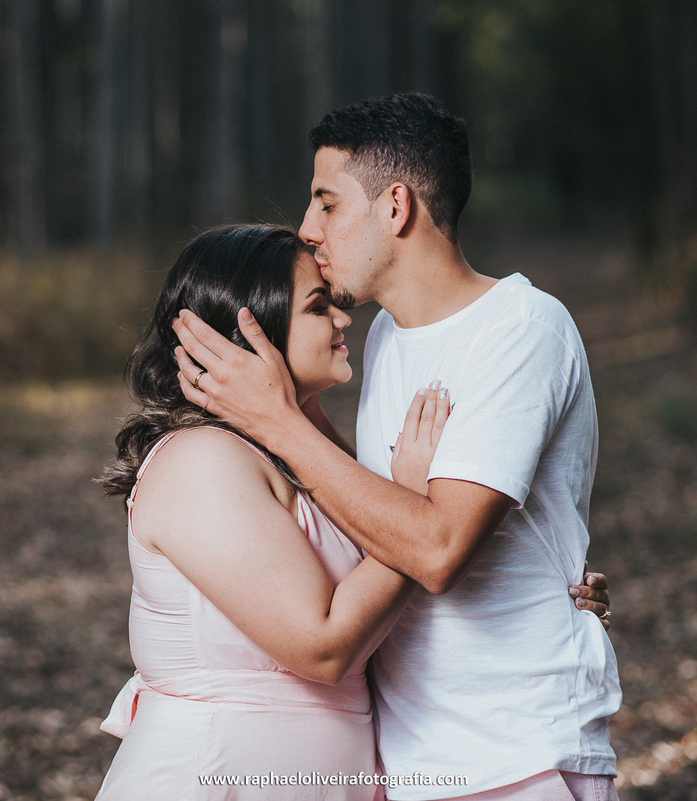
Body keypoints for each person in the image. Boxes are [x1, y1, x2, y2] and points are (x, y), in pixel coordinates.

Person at [173, 93, 622, 800]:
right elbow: (372, 512)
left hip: (516, 754)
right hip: (412, 755)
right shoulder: (386, 336)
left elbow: (437, 551)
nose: (308, 229)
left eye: (327, 203)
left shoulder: (521, 329)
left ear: (395, 206)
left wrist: (282, 422)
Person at [95, 223, 609, 800]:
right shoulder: (201, 461)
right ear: (254, 330)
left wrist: (546, 588)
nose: (342, 319)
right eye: (318, 307)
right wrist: (417, 507)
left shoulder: (293, 453)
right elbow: (325, 644)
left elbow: (384, 553)